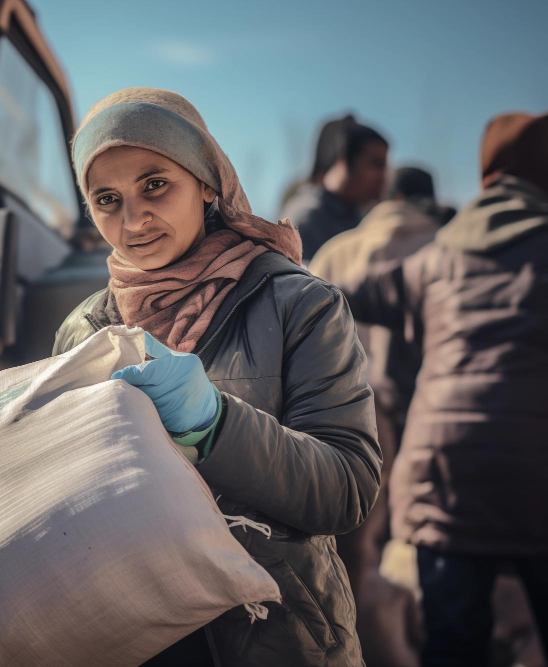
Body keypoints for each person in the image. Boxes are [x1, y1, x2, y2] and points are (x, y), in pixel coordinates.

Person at [53, 87, 381, 666]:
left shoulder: (297, 305)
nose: (133, 220)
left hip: (272, 636)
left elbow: (345, 487)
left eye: (155, 185)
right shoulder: (84, 330)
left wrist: (215, 425)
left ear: (207, 183)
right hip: (128, 638)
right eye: (107, 199)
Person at [334, 112, 548, 667]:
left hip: (443, 473)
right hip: (535, 471)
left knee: (453, 646)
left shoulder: (437, 259)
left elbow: (341, 290)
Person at [309, 167, 443, 667]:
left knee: (351, 558)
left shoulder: (339, 249)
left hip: (348, 420)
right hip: (425, 425)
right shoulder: (445, 248)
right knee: (426, 558)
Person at [281, 120, 389, 263]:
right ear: (343, 162)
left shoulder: (355, 215)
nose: (383, 177)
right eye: (376, 165)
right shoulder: (308, 218)